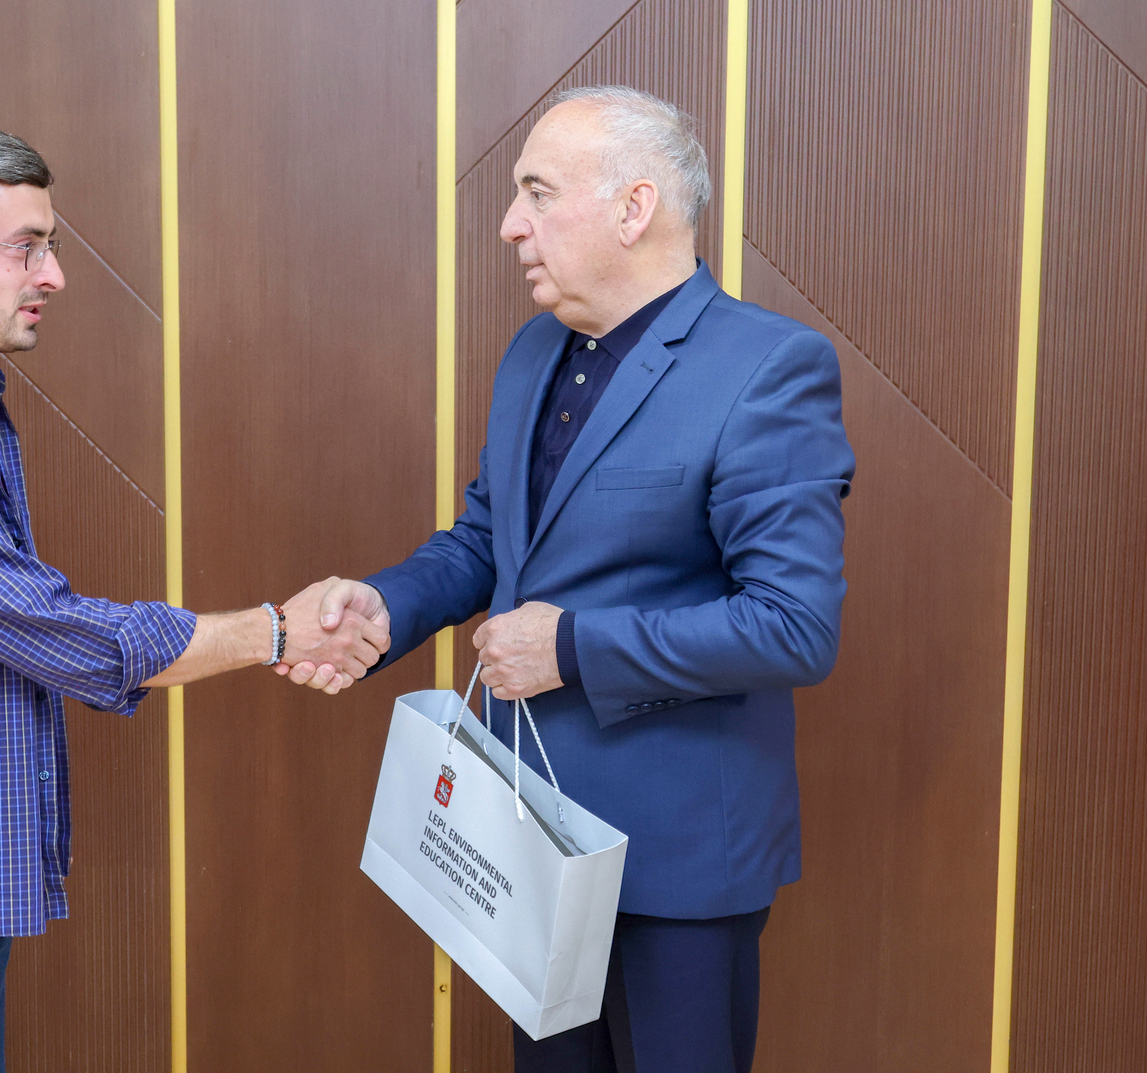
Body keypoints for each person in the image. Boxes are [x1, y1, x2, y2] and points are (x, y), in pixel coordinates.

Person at [0, 118, 384, 1073]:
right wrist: (275, 630)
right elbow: (59, 635)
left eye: (50, 246)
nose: (53, 275)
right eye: (25, 247)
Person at [287, 86, 855, 1073]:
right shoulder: (532, 350)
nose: (511, 224)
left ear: (634, 208)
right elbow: (488, 538)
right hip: (531, 845)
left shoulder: (766, 367)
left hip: (680, 862)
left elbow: (791, 625)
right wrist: (387, 606)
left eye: (538, 193)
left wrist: (570, 646)